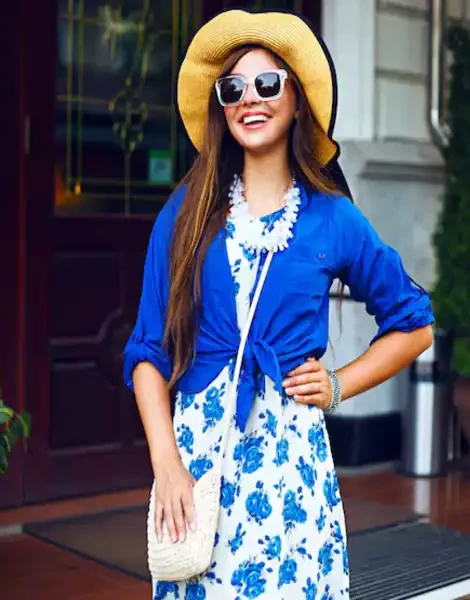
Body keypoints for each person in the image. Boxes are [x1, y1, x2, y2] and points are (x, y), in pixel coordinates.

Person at [123, 9, 435, 599]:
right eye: (233, 88)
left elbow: (415, 325)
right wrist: (166, 463)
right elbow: (146, 350)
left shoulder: (333, 219)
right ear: (221, 105)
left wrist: (339, 384)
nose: (250, 99)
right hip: (197, 461)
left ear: (296, 100)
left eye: (269, 84)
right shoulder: (186, 212)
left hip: (289, 466)